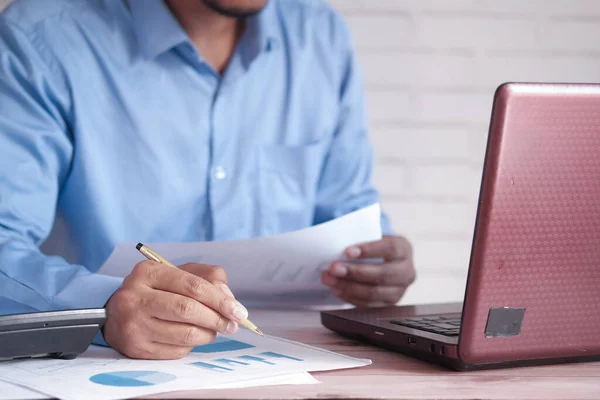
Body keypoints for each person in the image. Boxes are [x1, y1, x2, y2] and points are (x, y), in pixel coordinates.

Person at [0, 0, 416, 360]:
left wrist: (376, 266)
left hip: (289, 364)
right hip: (100, 370)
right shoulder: (41, 38)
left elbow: (349, 213)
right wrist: (102, 307)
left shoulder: (319, 34)